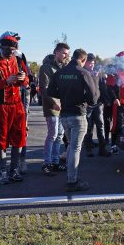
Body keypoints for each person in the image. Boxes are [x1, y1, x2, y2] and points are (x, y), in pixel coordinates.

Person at [48, 49, 98, 191]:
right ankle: (72, 180)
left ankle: (71, 177)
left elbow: (50, 91)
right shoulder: (83, 72)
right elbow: (93, 98)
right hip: (78, 114)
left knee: (71, 147)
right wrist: (84, 98)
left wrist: (64, 96)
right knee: (75, 149)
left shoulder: (60, 72)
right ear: (83, 60)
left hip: (64, 115)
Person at [0, 33, 29, 185]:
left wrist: (24, 79)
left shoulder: (18, 60)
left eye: (12, 49)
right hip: (1, 106)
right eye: (7, 49)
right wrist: (5, 81)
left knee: (18, 137)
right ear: (1, 47)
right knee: (1, 139)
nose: (10, 52)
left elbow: (27, 80)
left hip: (17, 105)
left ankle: (14, 169)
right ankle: (3, 170)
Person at [39, 43, 70, 176]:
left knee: (59, 136)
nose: (66, 56)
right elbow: (44, 89)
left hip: (63, 105)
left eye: (67, 54)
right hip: (51, 106)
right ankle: (47, 163)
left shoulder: (65, 68)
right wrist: (54, 103)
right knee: (52, 134)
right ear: (56, 52)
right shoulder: (46, 67)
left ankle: (56, 162)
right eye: (63, 53)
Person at [83, 53, 111, 157]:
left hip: (98, 103)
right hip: (88, 105)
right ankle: (88, 149)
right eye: (90, 63)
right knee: (88, 127)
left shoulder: (97, 73)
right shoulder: (83, 74)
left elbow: (102, 87)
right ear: (85, 63)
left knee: (100, 125)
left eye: (93, 63)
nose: (92, 65)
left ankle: (102, 148)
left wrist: (105, 99)